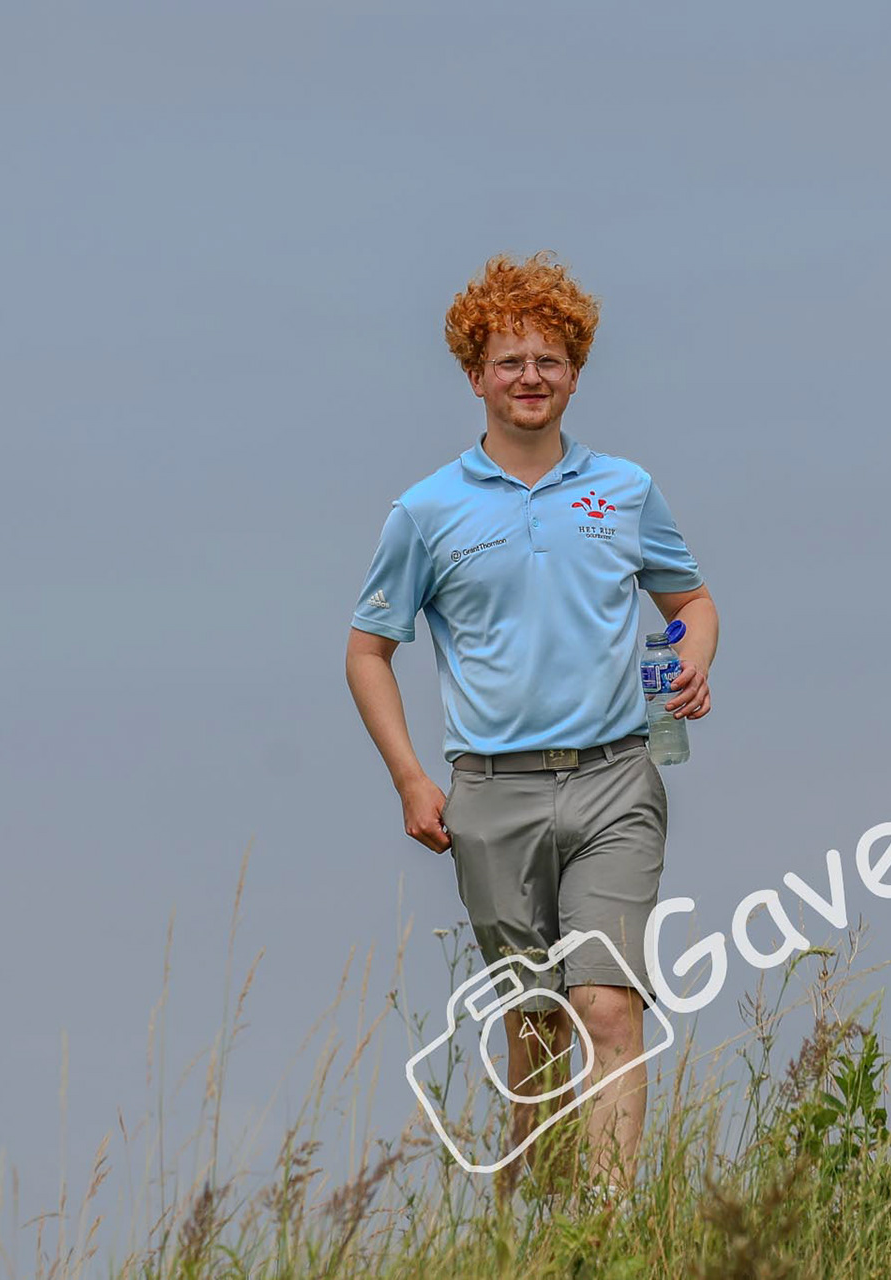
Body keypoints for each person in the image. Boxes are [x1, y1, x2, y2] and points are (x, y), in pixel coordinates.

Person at [344, 250, 718, 1191]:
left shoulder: (625, 490)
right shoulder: (425, 512)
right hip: (491, 794)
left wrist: (695, 658)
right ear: (475, 376)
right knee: (536, 1026)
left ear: (575, 373)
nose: (529, 377)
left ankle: (611, 1228)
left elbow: (691, 602)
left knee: (607, 1004)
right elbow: (367, 652)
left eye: (549, 359)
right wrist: (411, 779)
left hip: (615, 780)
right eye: (509, 361)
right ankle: (536, 1226)